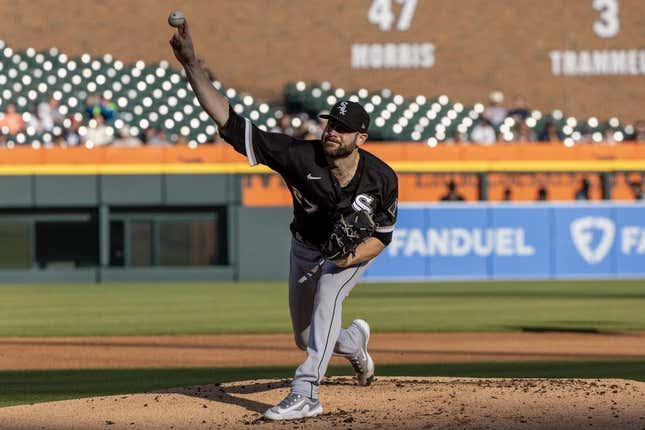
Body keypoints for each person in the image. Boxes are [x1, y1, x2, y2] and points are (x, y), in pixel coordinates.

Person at [170, 20, 398, 421]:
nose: (333, 132)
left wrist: (348, 260)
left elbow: (382, 236)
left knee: (330, 294)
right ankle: (354, 342)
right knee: (307, 336)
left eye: (343, 129)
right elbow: (229, 121)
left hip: (351, 254)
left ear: (360, 138)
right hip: (305, 248)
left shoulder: (381, 179)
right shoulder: (297, 156)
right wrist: (191, 65)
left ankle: (306, 390)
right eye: (331, 124)